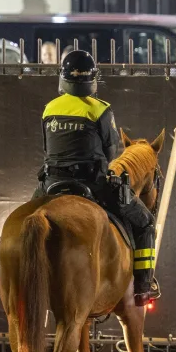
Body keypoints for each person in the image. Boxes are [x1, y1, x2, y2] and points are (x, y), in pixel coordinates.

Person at [34, 49, 158, 304]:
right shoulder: (100, 109)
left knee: (29, 218)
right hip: (92, 184)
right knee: (144, 222)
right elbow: (110, 152)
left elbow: (47, 149)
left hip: (50, 184)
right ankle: (144, 286)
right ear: (92, 78)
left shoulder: (49, 109)